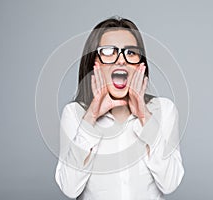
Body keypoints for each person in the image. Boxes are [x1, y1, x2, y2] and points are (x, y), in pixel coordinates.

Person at [55, 16, 184, 200]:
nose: (121, 60)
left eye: (131, 52)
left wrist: (144, 116)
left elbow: (170, 183)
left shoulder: (163, 110)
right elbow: (69, 188)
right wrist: (91, 118)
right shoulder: (75, 115)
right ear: (94, 63)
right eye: (108, 51)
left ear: (141, 65)